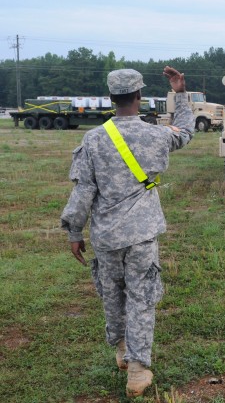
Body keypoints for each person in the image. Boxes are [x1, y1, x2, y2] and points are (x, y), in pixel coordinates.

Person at [60, 67, 195, 397]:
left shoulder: (92, 139)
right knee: (141, 297)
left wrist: (74, 231)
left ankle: (121, 348)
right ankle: (136, 370)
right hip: (141, 234)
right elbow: (187, 131)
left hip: (105, 236)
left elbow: (83, 191)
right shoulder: (156, 135)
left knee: (112, 293)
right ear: (139, 97)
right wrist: (179, 93)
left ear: (111, 98)